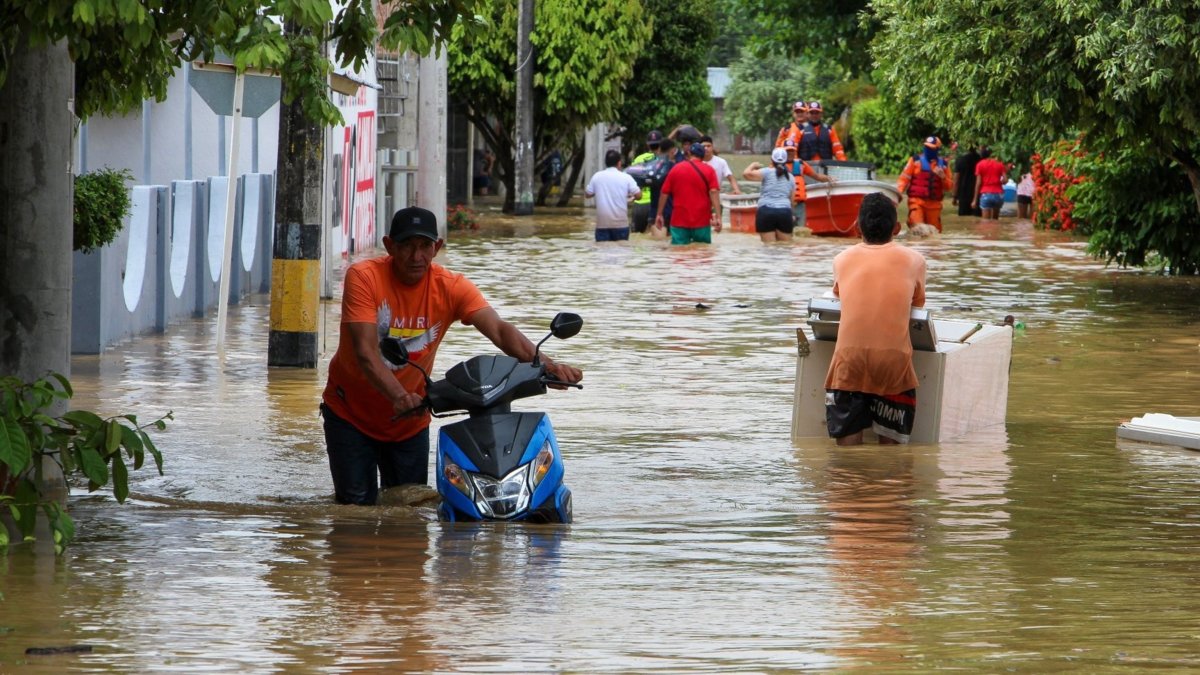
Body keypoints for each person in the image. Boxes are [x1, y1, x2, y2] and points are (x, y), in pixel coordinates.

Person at [320, 207, 583, 505]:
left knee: (408, 512)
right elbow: (365, 352)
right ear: (390, 246)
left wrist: (548, 366)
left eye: (424, 246)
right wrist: (399, 395)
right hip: (350, 414)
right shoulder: (364, 277)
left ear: (437, 248)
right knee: (355, 511)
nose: (416, 256)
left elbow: (498, 329)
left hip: (410, 421)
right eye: (406, 246)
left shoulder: (451, 286)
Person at [824, 192, 927, 446]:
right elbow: (917, 303)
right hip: (894, 363)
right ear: (898, 228)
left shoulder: (841, 259)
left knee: (847, 455)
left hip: (849, 360)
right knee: (890, 455)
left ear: (858, 227)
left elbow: (837, 294)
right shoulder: (915, 260)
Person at [654, 142, 721, 245]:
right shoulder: (709, 170)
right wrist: (718, 216)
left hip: (679, 221)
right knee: (703, 254)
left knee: (679, 254)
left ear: (689, 153)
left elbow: (664, 192)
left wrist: (659, 214)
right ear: (703, 155)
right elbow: (714, 192)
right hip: (701, 221)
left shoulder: (675, 169)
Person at [896, 136, 953, 232]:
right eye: (927, 147)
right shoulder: (915, 161)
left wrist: (943, 177)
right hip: (916, 202)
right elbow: (903, 180)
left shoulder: (943, 165)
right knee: (918, 229)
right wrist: (896, 196)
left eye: (931, 148)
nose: (928, 149)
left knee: (934, 234)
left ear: (937, 149)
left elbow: (949, 187)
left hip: (934, 205)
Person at [585, 149, 642, 242]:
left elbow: (588, 194)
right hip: (621, 225)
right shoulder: (626, 177)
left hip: (602, 226)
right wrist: (631, 197)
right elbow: (639, 195)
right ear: (619, 163)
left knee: (602, 253)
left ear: (606, 163)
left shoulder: (597, 176)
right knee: (621, 253)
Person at [742, 147, 796, 243]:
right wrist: (791, 215)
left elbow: (746, 174)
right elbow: (792, 201)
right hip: (784, 213)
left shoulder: (766, 172)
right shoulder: (791, 177)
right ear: (786, 161)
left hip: (766, 212)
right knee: (785, 247)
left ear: (772, 160)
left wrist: (753, 165)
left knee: (768, 247)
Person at [782, 139, 836, 230]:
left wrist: (828, 178)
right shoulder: (777, 166)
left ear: (795, 151)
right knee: (786, 231)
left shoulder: (801, 164)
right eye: (787, 151)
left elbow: (817, 176)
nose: (790, 153)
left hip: (800, 205)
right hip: (784, 204)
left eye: (792, 150)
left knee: (801, 231)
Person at [629, 130, 662, 232]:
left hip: (641, 203)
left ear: (648, 144)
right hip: (659, 204)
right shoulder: (666, 159)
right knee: (658, 239)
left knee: (637, 238)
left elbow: (632, 180)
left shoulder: (639, 159)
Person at [972, 147, 1007, 220]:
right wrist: (999, 182)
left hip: (986, 194)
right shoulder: (999, 164)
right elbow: (1005, 180)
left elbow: (978, 183)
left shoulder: (979, 165)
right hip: (998, 194)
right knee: (995, 220)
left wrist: (975, 200)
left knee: (986, 223)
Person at [952, 144, 982, 216]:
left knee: (963, 219)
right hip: (977, 194)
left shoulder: (960, 160)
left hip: (963, 194)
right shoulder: (981, 160)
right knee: (977, 221)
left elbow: (956, 180)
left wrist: (954, 196)